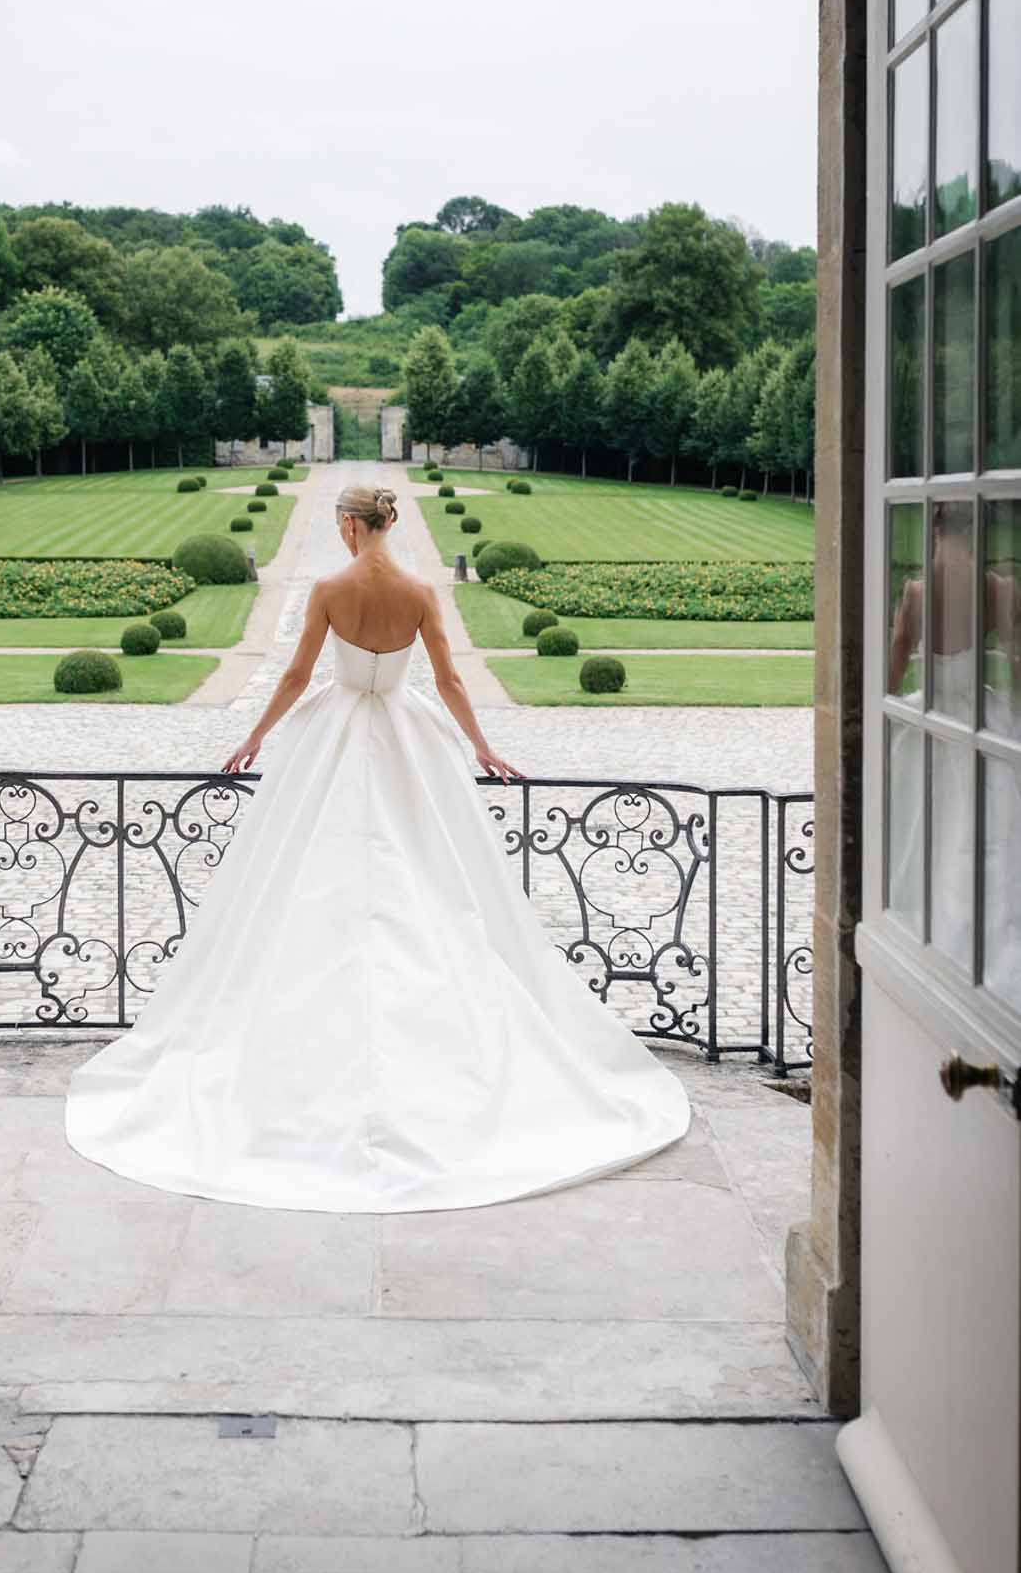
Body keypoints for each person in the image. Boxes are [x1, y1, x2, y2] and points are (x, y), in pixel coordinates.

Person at [65, 480, 690, 1212]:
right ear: (385, 524)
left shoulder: (331, 587)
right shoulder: (421, 590)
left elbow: (299, 675)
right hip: (407, 737)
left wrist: (255, 737)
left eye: (338, 522)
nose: (337, 532)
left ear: (351, 526)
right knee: (433, 879)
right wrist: (483, 747)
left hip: (332, 740)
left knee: (303, 879)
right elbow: (451, 678)